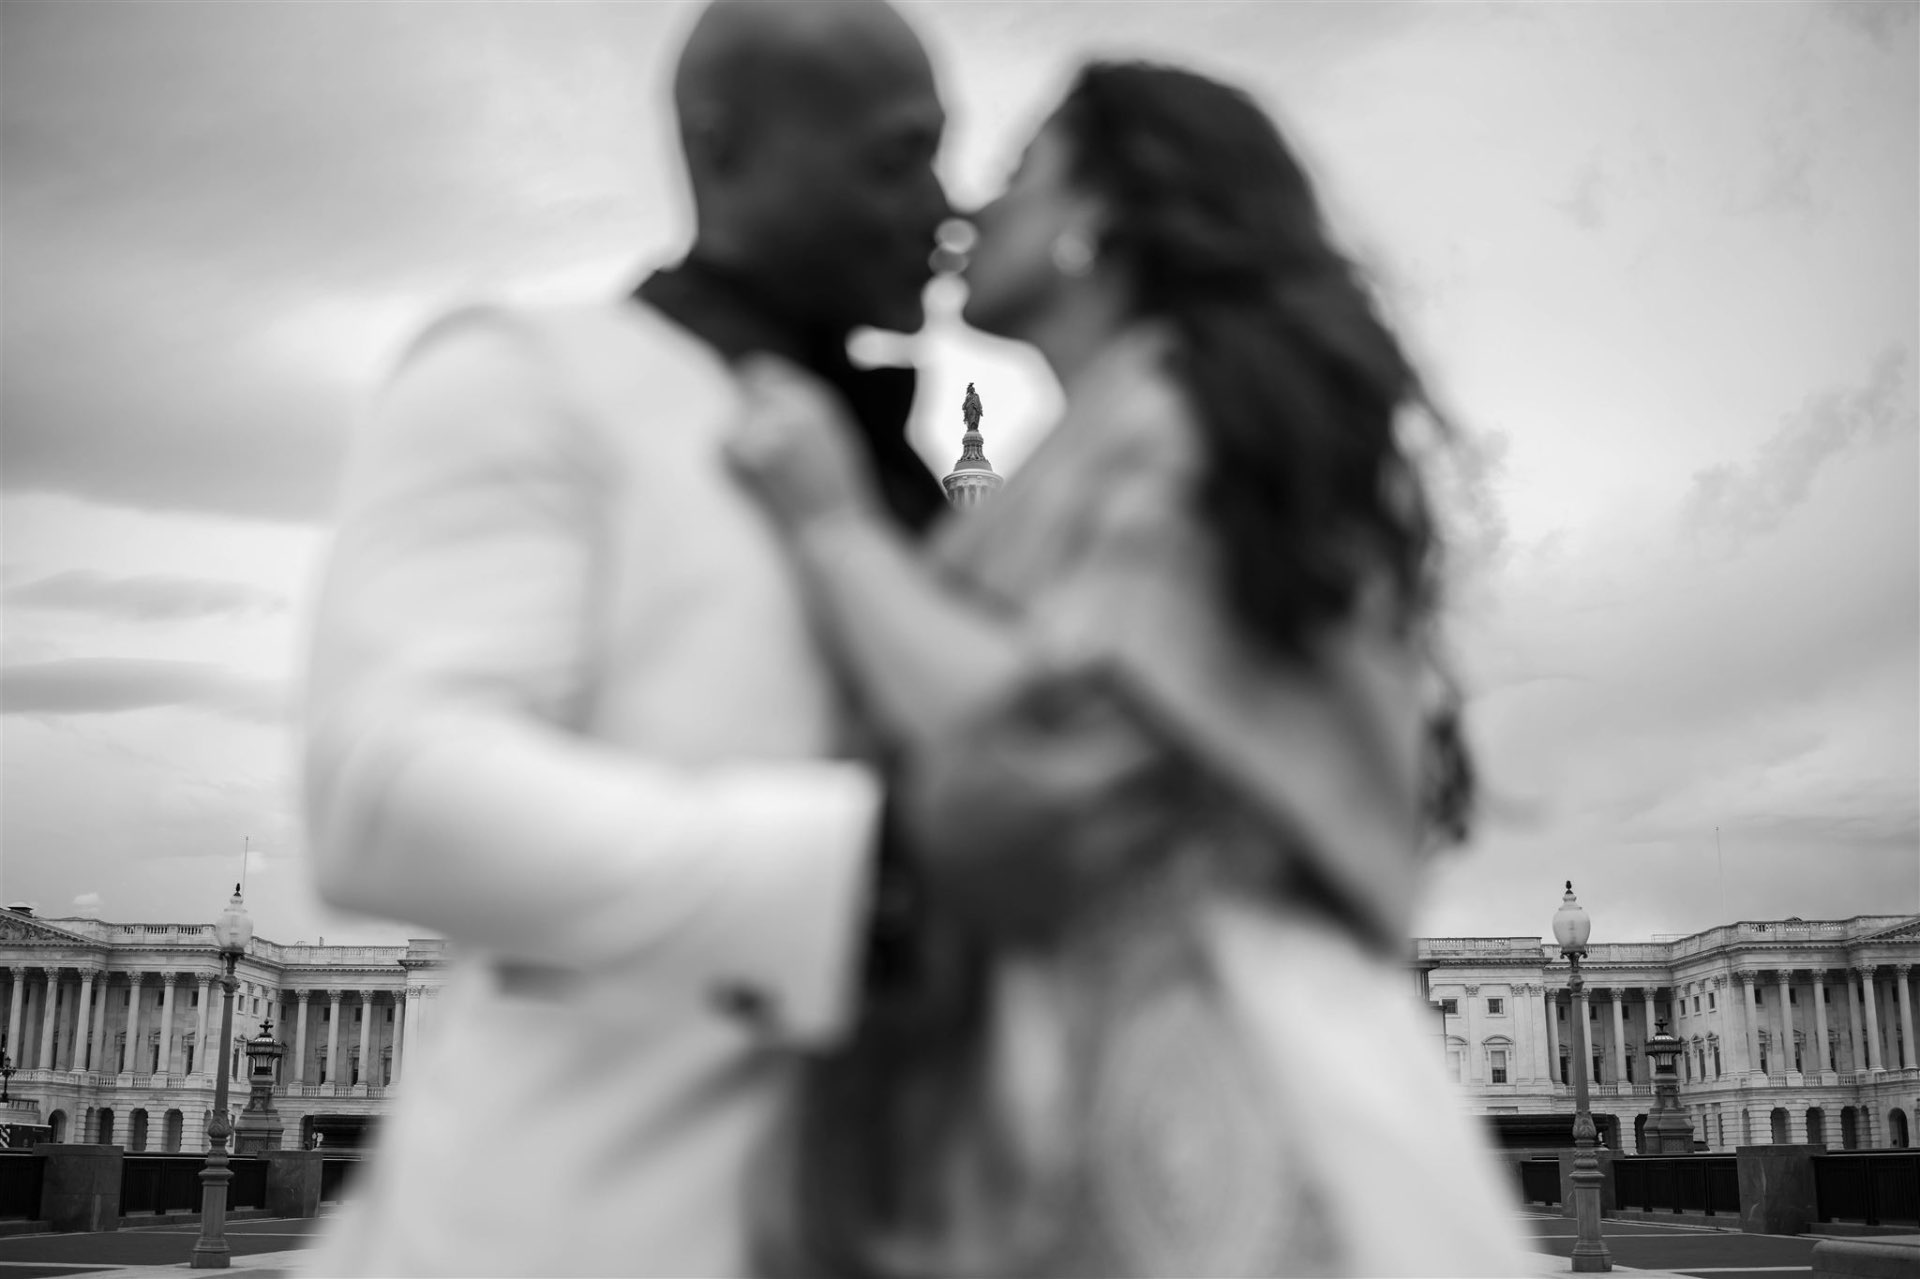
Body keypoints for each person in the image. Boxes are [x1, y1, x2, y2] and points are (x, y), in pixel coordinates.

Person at [728, 61, 1528, 1276]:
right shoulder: (1118, 441)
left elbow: (1037, 733)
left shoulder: (1184, 426)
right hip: (1089, 1066)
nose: (968, 213)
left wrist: (833, 531)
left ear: (1092, 226)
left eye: (1015, 179)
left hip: (1212, 1084)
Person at [299, 2, 972, 1273]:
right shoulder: (520, 376)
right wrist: (874, 888)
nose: (944, 200)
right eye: (897, 155)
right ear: (726, 148)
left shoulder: (907, 477)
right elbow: (385, 791)